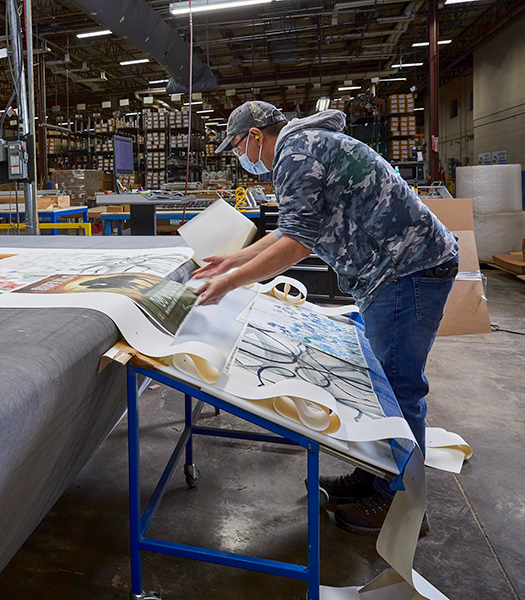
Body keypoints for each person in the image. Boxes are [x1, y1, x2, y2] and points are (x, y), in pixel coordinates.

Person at [195, 100, 459, 536]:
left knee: (397, 391)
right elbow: (288, 228)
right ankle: (375, 474)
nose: (242, 157)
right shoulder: (307, 144)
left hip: (405, 269)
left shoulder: (295, 154)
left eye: (239, 146)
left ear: (256, 136)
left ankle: (402, 505)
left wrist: (230, 282)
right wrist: (231, 261)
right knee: (383, 387)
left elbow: (298, 243)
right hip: (396, 268)